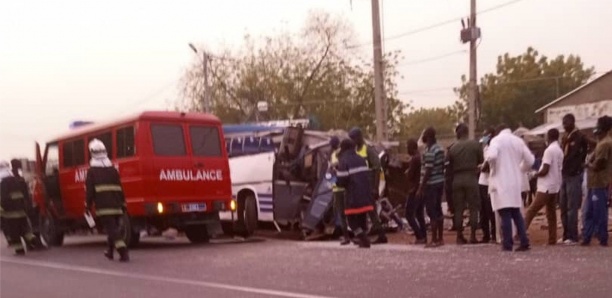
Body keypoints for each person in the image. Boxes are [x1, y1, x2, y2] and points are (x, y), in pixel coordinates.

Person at [487, 124, 534, 252]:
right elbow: (530, 160)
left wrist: (491, 165)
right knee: (516, 213)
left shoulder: (496, 140)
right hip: (515, 182)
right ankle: (524, 240)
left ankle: (507, 243)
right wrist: (520, 169)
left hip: (501, 181)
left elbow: (492, 156)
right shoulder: (518, 141)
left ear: (498, 131)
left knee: (505, 213)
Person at [85, 139, 129, 262]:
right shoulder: (113, 169)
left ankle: (123, 251)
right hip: (116, 205)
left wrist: (87, 206)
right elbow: (120, 188)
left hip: (104, 207)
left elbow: (90, 191)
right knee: (113, 227)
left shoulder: (92, 171)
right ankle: (110, 252)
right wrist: (123, 204)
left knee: (112, 229)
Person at [524, 128, 564, 245]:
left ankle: (520, 234)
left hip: (545, 186)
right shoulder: (559, 150)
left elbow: (545, 169)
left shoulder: (549, 150)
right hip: (555, 186)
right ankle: (552, 239)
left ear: (548, 137)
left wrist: (534, 174)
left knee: (531, 210)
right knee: (551, 213)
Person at [348, 127, 387, 244]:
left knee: (371, 210)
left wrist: (375, 188)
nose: (352, 141)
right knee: (362, 211)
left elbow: (377, 168)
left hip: (369, 185)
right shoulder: (355, 150)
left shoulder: (368, 150)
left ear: (359, 137)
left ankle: (381, 235)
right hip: (361, 186)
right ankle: (363, 236)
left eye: (354, 138)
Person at [448, 123, 483, 244]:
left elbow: (449, 166)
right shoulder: (475, 145)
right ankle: (473, 236)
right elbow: (481, 161)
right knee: (473, 208)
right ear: (467, 132)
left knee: (458, 209)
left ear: (458, 133)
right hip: (471, 178)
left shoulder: (452, 148)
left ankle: (459, 236)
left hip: (457, 179)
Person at [336, 139, 374, 248]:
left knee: (351, 220)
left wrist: (336, 174)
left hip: (353, 195)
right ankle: (362, 240)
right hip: (365, 194)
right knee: (362, 218)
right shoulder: (361, 159)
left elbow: (342, 181)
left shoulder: (344, 161)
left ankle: (363, 239)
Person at [581, 116, 612, 247]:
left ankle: (602, 237)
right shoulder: (602, 142)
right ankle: (588, 236)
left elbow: (600, 164)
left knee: (598, 212)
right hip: (594, 182)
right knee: (589, 211)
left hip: (600, 182)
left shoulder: (605, 143)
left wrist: (587, 165)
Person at [0, 161, 43, 255]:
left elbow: (3, 198)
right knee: (24, 229)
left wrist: (2, 209)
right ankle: (33, 240)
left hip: (10, 214)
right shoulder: (17, 180)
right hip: (21, 210)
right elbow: (24, 194)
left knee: (14, 232)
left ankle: (19, 250)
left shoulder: (3, 183)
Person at [559, 113, 589, 245]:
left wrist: (581, 164)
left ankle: (573, 236)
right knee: (563, 206)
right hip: (564, 174)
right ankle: (566, 234)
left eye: (567, 123)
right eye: (563, 123)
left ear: (572, 122)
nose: (564, 125)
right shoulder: (566, 137)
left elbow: (586, 149)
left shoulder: (580, 137)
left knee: (572, 206)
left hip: (574, 175)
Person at [416, 127, 445, 248]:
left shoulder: (430, 151)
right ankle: (440, 238)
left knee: (431, 211)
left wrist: (421, 188)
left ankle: (433, 239)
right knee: (438, 209)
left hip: (431, 184)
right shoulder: (440, 148)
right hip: (440, 181)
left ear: (427, 136)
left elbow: (428, 170)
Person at [328, 136, 350, 245]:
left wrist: (331, 166)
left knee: (341, 212)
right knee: (343, 212)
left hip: (339, 187)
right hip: (342, 186)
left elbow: (335, 168)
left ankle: (345, 235)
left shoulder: (336, 154)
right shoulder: (342, 153)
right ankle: (346, 233)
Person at [404, 138, 426, 244]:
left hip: (414, 190)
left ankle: (419, 236)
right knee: (419, 214)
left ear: (412, 147)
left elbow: (410, 175)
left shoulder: (414, 159)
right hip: (420, 189)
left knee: (408, 214)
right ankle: (423, 236)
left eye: (407, 147)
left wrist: (407, 172)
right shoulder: (420, 157)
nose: (406, 150)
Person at [478, 127, 496, 243]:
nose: (484, 137)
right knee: (483, 210)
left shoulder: (494, 149)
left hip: (491, 182)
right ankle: (486, 235)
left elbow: (487, 167)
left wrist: (482, 167)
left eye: (485, 135)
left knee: (491, 210)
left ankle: (494, 234)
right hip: (482, 182)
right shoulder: (485, 148)